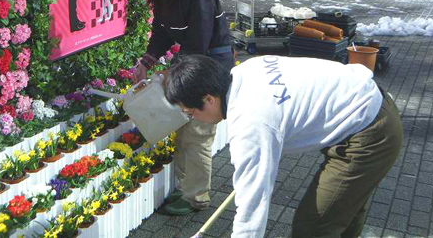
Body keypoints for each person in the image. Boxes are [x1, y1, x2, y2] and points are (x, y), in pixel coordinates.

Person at [164, 54, 403, 238]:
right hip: (367, 108)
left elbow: (253, 200)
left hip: (369, 133)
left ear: (208, 99)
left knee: (313, 225)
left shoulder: (250, 122)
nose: (192, 117)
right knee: (343, 212)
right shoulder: (245, 70)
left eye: (190, 111)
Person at [130, 0, 233, 215]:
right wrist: (146, 63)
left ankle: (196, 197)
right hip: (191, 60)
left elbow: (198, 43)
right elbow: (161, 32)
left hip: (211, 64)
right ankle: (187, 187)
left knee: (197, 133)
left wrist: (170, 73)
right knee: (182, 128)